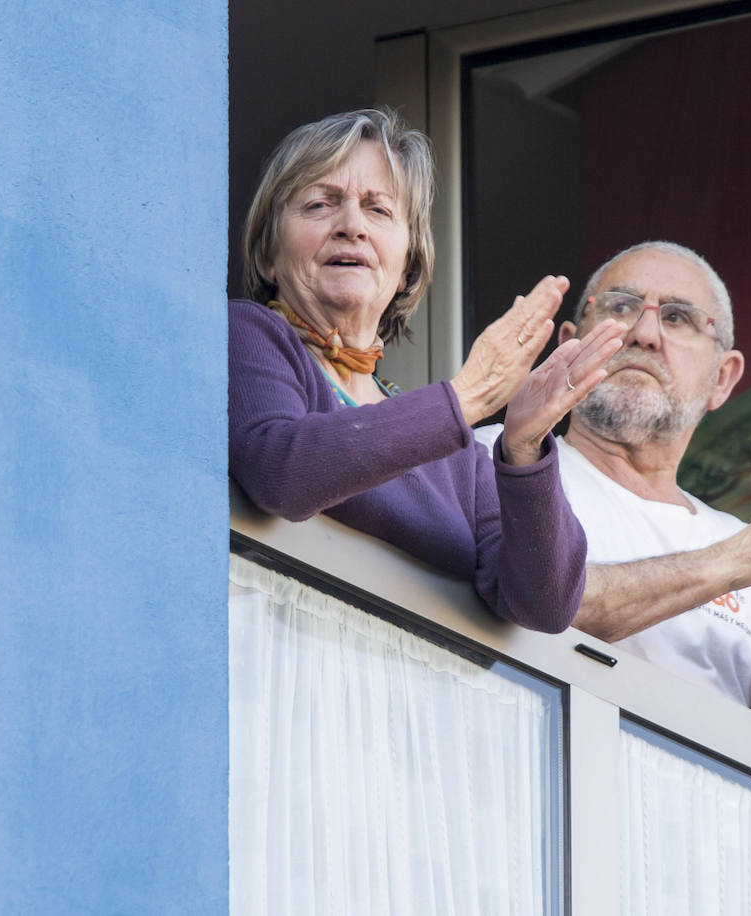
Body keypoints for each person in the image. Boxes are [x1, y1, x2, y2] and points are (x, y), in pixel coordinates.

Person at [229, 109, 622, 633]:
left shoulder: (456, 454)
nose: (351, 226)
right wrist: (468, 398)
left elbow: (544, 605)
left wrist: (524, 449)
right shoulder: (248, 333)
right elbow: (280, 471)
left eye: (378, 210)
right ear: (269, 253)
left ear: (407, 264)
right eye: (320, 204)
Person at [476, 241, 751, 748]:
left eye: (679, 318)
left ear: (722, 380)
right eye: (620, 307)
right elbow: (543, 609)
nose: (644, 334)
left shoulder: (746, 544)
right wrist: (730, 562)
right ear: (568, 345)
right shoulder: (497, 460)